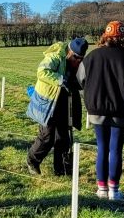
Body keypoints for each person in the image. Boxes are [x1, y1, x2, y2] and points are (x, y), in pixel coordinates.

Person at [81, 21, 124, 201]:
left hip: (96, 108)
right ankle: (114, 191)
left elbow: (81, 80)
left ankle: (102, 190)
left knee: (102, 147)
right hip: (121, 109)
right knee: (115, 149)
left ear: (105, 36)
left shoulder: (91, 56)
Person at [26, 37, 87, 176]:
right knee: (46, 137)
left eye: (81, 59)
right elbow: (42, 72)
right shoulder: (55, 56)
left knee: (63, 138)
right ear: (70, 52)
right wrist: (61, 80)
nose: (78, 61)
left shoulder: (78, 63)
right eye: (76, 58)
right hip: (48, 103)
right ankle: (32, 161)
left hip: (65, 103)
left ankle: (62, 170)